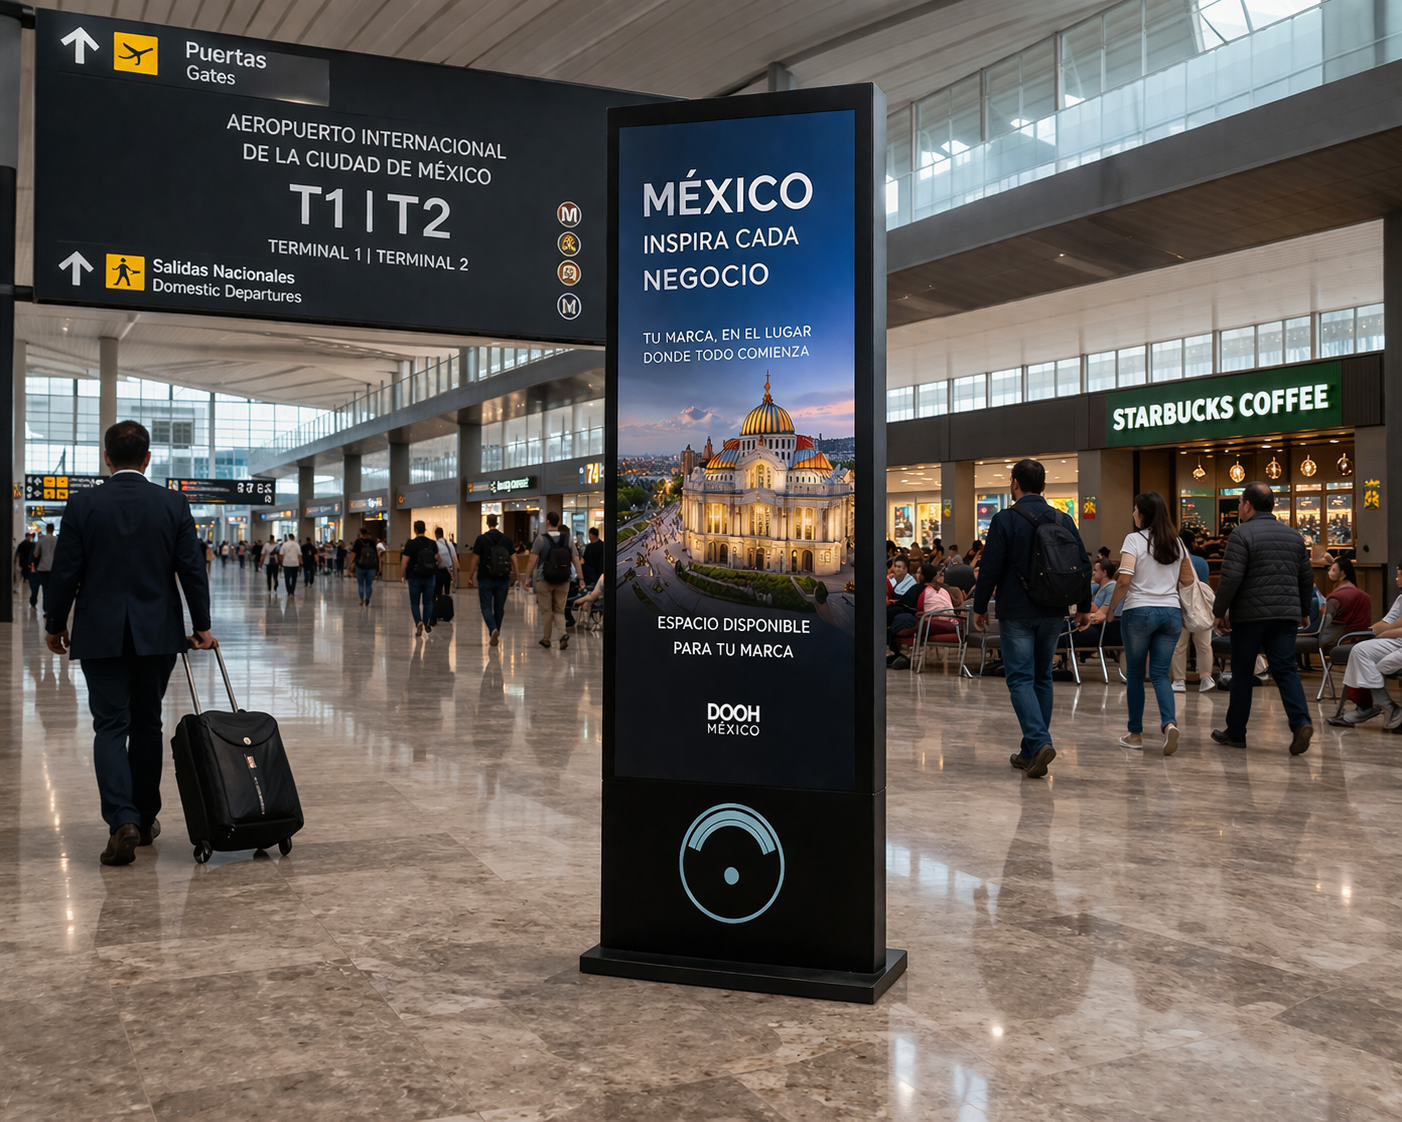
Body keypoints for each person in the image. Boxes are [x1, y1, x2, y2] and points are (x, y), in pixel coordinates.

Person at [42, 421, 214, 866]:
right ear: (148, 458)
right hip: (157, 633)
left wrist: (55, 623)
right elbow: (191, 568)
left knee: (110, 727)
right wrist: (202, 625)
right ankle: (145, 815)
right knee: (147, 724)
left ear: (106, 458)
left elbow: (65, 572)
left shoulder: (82, 504)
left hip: (100, 633)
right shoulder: (172, 503)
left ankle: (122, 820)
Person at [972, 458, 1092, 779]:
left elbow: (990, 568)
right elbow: (1083, 564)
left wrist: (979, 605)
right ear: (1044, 487)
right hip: (1054, 610)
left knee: (1020, 679)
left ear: (1014, 484)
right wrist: (1083, 606)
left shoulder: (1005, 520)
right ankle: (1029, 751)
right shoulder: (1063, 519)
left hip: (1017, 612)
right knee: (1043, 678)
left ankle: (1039, 742)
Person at [1085, 491, 1195, 755]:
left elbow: (1123, 580)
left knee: (1135, 674)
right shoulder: (1177, 543)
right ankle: (1169, 724)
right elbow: (1188, 580)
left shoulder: (1134, 540)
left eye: (1135, 510)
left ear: (1142, 515)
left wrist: (1111, 610)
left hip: (1140, 612)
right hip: (1171, 614)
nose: (1132, 514)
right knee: (1160, 674)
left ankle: (1135, 734)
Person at [1210, 481, 1315, 754]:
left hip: (1250, 616)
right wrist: (1304, 610)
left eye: (1240, 504)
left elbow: (1231, 577)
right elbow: (1306, 577)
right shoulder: (1294, 536)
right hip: (1286, 615)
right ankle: (1301, 722)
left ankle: (1236, 732)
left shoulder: (1241, 534)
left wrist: (1219, 612)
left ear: (1248, 505)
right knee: (1285, 670)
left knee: (1243, 673)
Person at [1325, 561, 1402, 728]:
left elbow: (1393, 627)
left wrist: (1382, 634)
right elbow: (1386, 622)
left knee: (1375, 663)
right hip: (1394, 641)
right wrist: (1367, 632)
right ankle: (1378, 706)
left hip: (1396, 640)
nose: (1397, 579)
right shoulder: (1401, 598)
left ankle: (1371, 707)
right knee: (1360, 650)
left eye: (1399, 574)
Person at [1171, 528, 1216, 694]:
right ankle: (1205, 677)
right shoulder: (1201, 562)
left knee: (1179, 646)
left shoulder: (1175, 561)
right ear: (1192, 543)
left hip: (1180, 605)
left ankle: (1179, 680)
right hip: (1200, 607)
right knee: (1204, 645)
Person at [530, 512, 581, 650]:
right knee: (559, 610)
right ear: (558, 522)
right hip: (564, 579)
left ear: (547, 522)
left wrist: (526, 577)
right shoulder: (567, 539)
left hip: (544, 579)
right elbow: (575, 559)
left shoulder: (541, 539)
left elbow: (532, 559)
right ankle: (562, 635)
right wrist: (581, 579)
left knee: (546, 611)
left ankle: (546, 639)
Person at [469, 513, 515, 644]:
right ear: (497, 523)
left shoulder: (481, 539)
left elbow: (475, 559)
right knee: (499, 608)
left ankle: (493, 628)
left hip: (485, 577)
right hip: (503, 577)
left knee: (486, 606)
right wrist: (517, 574)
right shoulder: (506, 539)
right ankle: (496, 630)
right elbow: (514, 557)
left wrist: (470, 576)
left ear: (487, 523)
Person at [1318, 556, 1371, 653]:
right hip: (1360, 639)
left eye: (1334, 570)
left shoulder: (1336, 597)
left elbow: (1326, 620)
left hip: (1337, 640)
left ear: (1342, 573)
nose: (1329, 573)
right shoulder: (1364, 595)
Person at [401, 520, 441, 636]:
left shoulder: (411, 544)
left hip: (414, 577)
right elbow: (438, 559)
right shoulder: (432, 543)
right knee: (428, 602)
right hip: (429, 576)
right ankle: (426, 621)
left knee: (415, 603)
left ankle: (418, 622)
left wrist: (401, 575)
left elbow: (405, 561)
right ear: (425, 529)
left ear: (415, 530)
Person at [30, 522, 58, 610]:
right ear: (53, 529)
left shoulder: (41, 540)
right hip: (54, 567)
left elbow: (36, 554)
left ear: (46, 529)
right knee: (52, 589)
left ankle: (46, 608)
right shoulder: (57, 540)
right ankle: (51, 608)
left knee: (45, 588)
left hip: (43, 567)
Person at [351, 528, 380, 605]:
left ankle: (361, 599)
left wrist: (351, 563)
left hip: (360, 566)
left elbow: (353, 554)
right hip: (371, 566)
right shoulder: (372, 542)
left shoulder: (358, 542)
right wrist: (378, 567)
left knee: (360, 584)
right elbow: (376, 554)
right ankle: (367, 598)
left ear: (361, 533)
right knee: (368, 585)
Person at [433, 527, 457, 599]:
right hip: (448, 571)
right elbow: (455, 560)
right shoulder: (449, 544)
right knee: (447, 593)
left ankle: (438, 607)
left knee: (437, 592)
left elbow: (437, 557)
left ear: (435, 535)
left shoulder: (435, 544)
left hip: (439, 570)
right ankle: (446, 606)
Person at [15, 530, 34, 599]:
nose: (30, 538)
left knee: (24, 569)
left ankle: (25, 578)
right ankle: (26, 578)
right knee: (27, 569)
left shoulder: (22, 544)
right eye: (29, 537)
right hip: (27, 560)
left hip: (23, 560)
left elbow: (18, 553)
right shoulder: (31, 544)